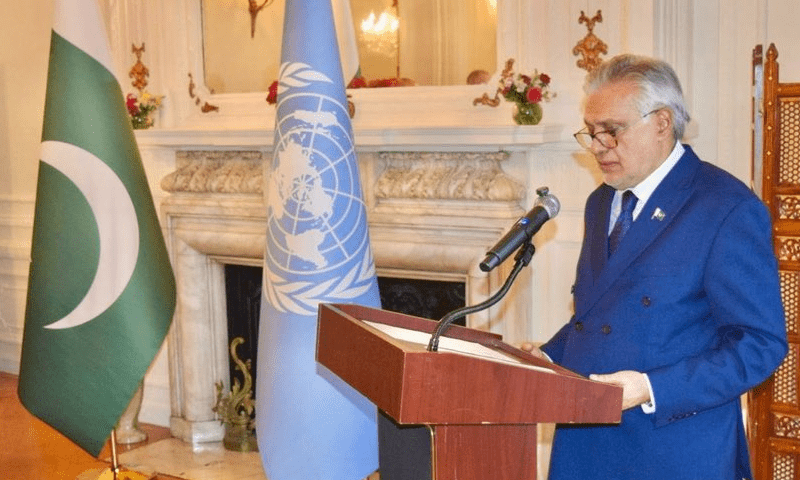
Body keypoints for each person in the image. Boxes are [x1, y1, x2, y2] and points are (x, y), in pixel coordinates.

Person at [538, 54, 788, 479]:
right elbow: (599, 315)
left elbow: (759, 345)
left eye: (611, 131)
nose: (598, 146)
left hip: (672, 449)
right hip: (586, 445)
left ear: (661, 122)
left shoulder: (725, 207)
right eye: (591, 132)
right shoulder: (602, 202)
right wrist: (543, 358)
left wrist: (651, 389)